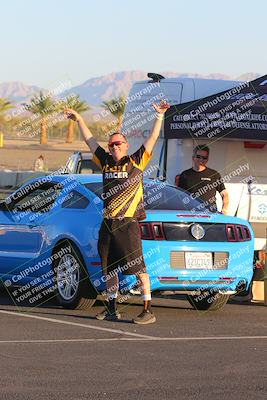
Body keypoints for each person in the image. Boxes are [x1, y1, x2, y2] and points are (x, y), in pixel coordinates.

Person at [65, 100, 170, 324]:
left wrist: (159, 116)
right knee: (109, 270)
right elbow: (90, 141)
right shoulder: (104, 162)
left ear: (126, 145)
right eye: (111, 145)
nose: (114, 148)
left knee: (139, 268)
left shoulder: (136, 161)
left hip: (128, 223)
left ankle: (148, 309)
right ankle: (112, 307)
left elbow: (152, 139)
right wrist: (80, 119)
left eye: (118, 144)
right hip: (108, 223)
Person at [176, 144, 229, 214]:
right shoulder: (185, 175)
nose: (201, 160)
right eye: (198, 157)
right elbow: (179, 196)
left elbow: (224, 194)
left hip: (210, 214)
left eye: (204, 158)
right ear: (193, 157)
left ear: (207, 159)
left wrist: (224, 209)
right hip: (189, 214)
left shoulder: (214, 174)